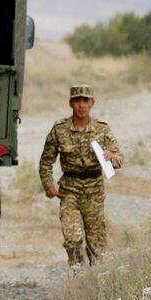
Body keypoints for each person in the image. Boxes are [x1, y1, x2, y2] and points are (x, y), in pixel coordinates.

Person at [38, 84, 124, 267]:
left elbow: (119, 158)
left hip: (94, 193)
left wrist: (111, 157)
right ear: (71, 103)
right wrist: (48, 185)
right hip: (69, 191)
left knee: (97, 246)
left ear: (92, 103)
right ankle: (79, 275)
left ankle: (95, 285)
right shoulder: (59, 130)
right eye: (77, 101)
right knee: (73, 239)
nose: (81, 105)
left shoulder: (102, 130)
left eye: (85, 101)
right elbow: (46, 161)